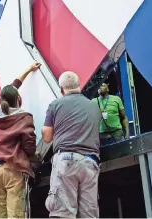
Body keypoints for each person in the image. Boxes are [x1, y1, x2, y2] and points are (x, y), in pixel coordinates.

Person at [42, 71, 102, 218]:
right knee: (89, 214)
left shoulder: (55, 104)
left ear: (61, 89)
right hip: (90, 163)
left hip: (66, 161)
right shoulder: (94, 106)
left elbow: (47, 137)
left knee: (63, 213)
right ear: (78, 85)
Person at [0, 62, 41, 218]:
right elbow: (29, 147)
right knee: (15, 214)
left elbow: (12, 87)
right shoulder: (24, 118)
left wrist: (27, 70)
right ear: (18, 98)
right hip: (14, 170)